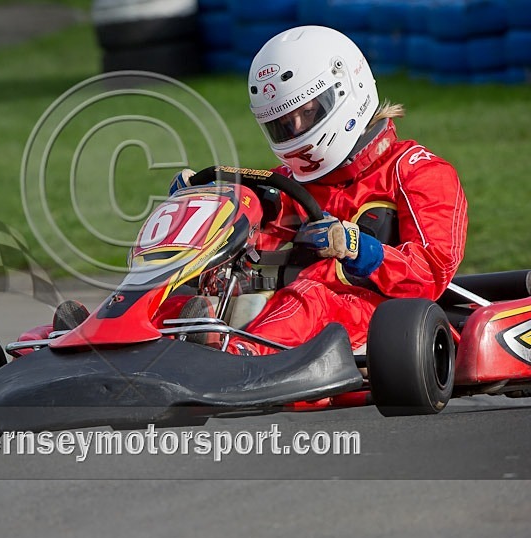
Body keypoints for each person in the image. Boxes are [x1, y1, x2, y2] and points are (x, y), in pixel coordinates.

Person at [170, 25, 468, 355]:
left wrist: (360, 249)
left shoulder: (418, 171)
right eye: (283, 123)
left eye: (307, 112)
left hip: (379, 323)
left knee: (311, 296)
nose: (296, 129)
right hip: (292, 316)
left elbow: (430, 274)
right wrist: (204, 208)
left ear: (347, 91)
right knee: (180, 297)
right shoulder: (283, 183)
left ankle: (237, 361)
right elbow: (250, 240)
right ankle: (121, 346)